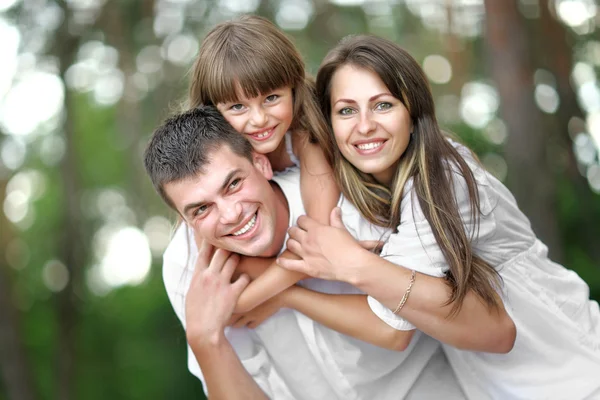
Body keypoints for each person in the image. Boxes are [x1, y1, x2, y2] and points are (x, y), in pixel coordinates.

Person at [275, 34, 600, 399]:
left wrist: (344, 265)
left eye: (382, 105)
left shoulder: (445, 176)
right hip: (503, 389)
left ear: (413, 114)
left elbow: (391, 325)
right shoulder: (367, 197)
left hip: (579, 374)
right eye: (347, 110)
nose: (364, 126)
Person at [144, 105, 473, 399]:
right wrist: (205, 340)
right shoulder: (187, 267)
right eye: (201, 209)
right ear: (185, 220)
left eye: (233, 184)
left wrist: (286, 293)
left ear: (260, 164)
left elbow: (399, 326)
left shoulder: (346, 201)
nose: (231, 215)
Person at [186, 15, 338, 314]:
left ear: (293, 88)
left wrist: (244, 302)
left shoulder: (306, 137)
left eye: (271, 98)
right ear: (211, 111)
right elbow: (221, 258)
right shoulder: (211, 168)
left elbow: (320, 242)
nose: (258, 119)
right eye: (238, 106)